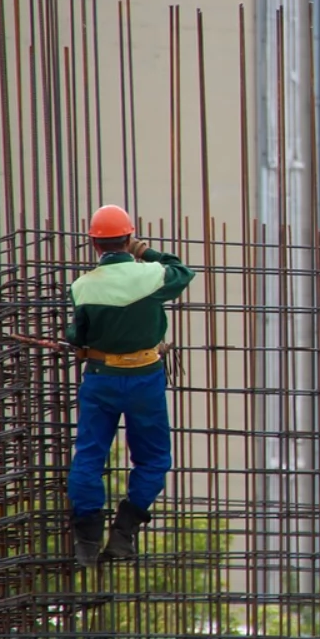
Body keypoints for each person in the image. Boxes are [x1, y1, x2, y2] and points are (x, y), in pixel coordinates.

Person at [65, 204, 196, 567]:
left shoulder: (82, 287)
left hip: (101, 378)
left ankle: (87, 540)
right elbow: (183, 271)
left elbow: (78, 335)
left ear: (94, 244)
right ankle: (123, 532)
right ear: (129, 237)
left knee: (89, 457)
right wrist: (144, 251)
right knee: (154, 459)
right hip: (145, 378)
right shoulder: (152, 276)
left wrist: (82, 343)